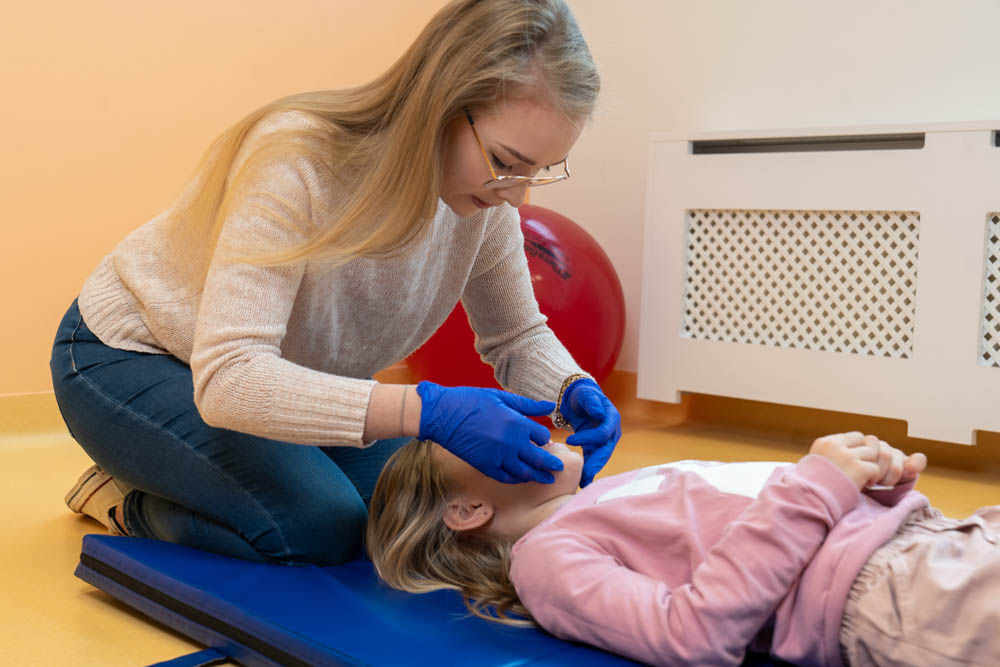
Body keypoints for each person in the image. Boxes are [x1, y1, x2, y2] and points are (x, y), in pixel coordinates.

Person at [49, 0, 621, 567]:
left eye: (539, 172)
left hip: (262, 379)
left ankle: (197, 472)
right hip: (131, 356)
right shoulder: (298, 158)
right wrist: (426, 410)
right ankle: (129, 501)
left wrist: (573, 388)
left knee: (405, 509)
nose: (518, 195)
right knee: (318, 526)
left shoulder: (485, 205)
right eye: (505, 161)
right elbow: (230, 377)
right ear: (441, 104)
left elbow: (516, 336)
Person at [367, 433, 1000, 666]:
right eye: (470, 435)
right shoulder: (546, 559)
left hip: (947, 537)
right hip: (902, 595)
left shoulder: (613, 488)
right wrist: (818, 487)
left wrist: (875, 485)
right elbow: (691, 636)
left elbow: (770, 513)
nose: (512, 419)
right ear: (468, 511)